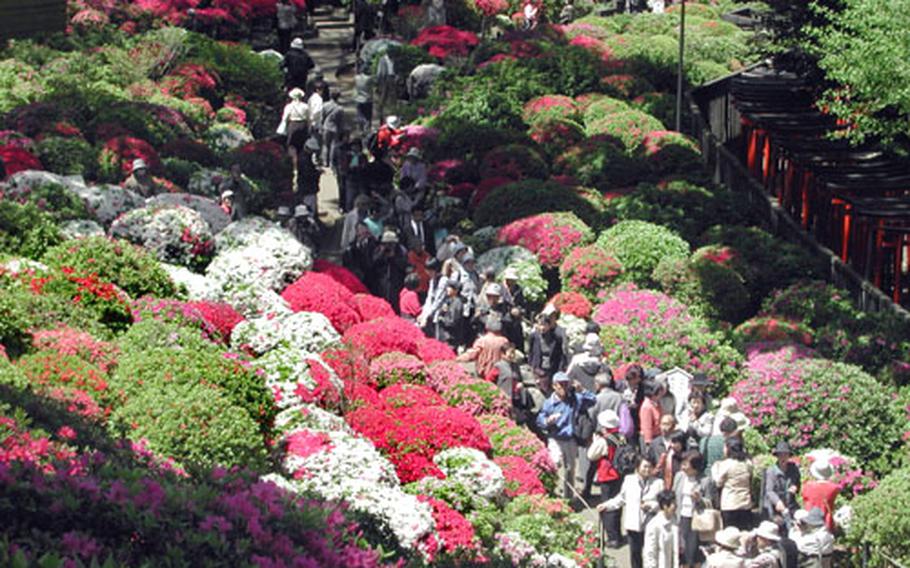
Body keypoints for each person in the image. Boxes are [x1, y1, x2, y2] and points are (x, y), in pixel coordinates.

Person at [536, 373, 596, 500]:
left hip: (570, 439)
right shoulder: (549, 403)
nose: (563, 387)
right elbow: (540, 420)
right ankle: (552, 493)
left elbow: (593, 400)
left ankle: (568, 498)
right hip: (555, 438)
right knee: (555, 462)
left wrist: (582, 390)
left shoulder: (574, 399)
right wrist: (548, 421)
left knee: (570, 469)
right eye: (560, 384)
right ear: (554, 386)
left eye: (566, 384)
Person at [598, 454, 663, 568]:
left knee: (651, 554)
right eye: (644, 466)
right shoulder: (629, 480)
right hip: (633, 524)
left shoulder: (658, 483)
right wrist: (606, 505)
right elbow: (621, 498)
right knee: (635, 554)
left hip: (650, 525)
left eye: (650, 467)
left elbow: (662, 504)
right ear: (637, 467)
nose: (647, 469)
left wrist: (652, 506)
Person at [587, 409, 624, 548]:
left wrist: (595, 441)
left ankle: (612, 538)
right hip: (620, 474)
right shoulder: (621, 437)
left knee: (608, 507)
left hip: (607, 475)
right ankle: (618, 535)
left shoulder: (604, 440)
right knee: (618, 505)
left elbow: (591, 455)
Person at [673, 451, 708, 568]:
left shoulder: (705, 481)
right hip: (680, 515)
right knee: (680, 547)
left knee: (691, 549)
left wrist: (699, 499)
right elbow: (674, 495)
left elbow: (712, 503)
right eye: (682, 464)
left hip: (696, 519)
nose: (682, 467)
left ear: (695, 466)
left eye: (685, 464)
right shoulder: (679, 476)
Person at [712, 437, 754, 531]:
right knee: (744, 532)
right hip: (745, 503)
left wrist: (714, 469)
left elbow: (718, 482)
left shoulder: (726, 464)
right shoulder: (748, 463)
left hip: (730, 503)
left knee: (730, 533)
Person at [528, 310, 568, 397]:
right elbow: (530, 352)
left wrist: (561, 368)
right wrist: (531, 365)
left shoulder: (556, 338)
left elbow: (560, 355)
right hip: (539, 367)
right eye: (540, 325)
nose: (542, 328)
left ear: (549, 326)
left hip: (551, 367)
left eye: (544, 325)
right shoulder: (534, 336)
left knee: (550, 390)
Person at [761, 441, 801, 527]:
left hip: (790, 504)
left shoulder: (794, 469)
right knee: (779, 522)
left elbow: (797, 483)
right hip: (774, 506)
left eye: (785, 455)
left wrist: (795, 487)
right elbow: (769, 491)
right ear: (777, 456)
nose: (783, 458)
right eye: (780, 455)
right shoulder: (771, 471)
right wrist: (777, 502)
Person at [277, 88, 310, 190]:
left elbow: (285, 118)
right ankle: (301, 167)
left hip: (293, 125)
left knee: (292, 147)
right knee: (301, 147)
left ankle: (293, 167)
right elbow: (309, 118)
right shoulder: (305, 106)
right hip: (303, 126)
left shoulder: (289, 107)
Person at [371, 230, 409, 313]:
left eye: (391, 243)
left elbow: (404, 265)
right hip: (382, 283)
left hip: (397, 282)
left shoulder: (401, 251)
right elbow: (373, 263)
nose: (388, 246)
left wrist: (394, 257)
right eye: (386, 243)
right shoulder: (379, 250)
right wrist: (382, 253)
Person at [644, 490, 680, 568]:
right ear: (665, 506)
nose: (676, 506)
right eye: (673, 503)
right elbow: (650, 553)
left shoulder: (674, 520)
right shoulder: (653, 525)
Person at [800, 459, 838, 532]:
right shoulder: (833, 488)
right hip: (826, 520)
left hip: (809, 518)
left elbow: (804, 499)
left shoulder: (807, 486)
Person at [437, 280, 466, 349]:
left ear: (456, 290)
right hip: (447, 336)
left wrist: (442, 319)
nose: (447, 289)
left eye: (450, 288)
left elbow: (453, 321)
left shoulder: (457, 303)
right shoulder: (449, 300)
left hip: (452, 337)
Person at [321, 90, 344, 168]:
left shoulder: (325, 105)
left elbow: (322, 117)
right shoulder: (339, 108)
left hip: (326, 127)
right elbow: (340, 121)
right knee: (333, 146)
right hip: (335, 128)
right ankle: (331, 163)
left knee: (325, 145)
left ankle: (325, 162)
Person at [639, 379, 664, 450]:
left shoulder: (657, 403)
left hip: (657, 436)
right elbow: (646, 426)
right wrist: (648, 443)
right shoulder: (647, 406)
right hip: (650, 438)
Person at [353, 64, 374, 132]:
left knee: (360, 115)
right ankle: (367, 131)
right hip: (367, 100)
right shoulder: (369, 78)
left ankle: (360, 130)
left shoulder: (356, 78)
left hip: (358, 99)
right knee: (368, 117)